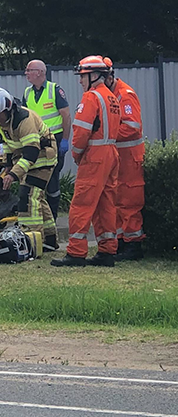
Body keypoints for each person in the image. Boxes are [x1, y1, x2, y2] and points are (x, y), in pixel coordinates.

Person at [52, 56, 121, 267]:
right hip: (111, 153)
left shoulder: (91, 98)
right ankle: (107, 251)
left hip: (95, 155)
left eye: (83, 76)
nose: (80, 81)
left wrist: (77, 154)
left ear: (94, 75)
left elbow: (81, 131)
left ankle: (76, 253)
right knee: (106, 204)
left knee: (81, 204)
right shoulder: (111, 98)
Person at [0, 85, 59, 251]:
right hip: (28, 159)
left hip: (42, 158)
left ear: (8, 108)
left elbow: (31, 152)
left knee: (28, 197)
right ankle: (49, 240)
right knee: (38, 199)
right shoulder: (3, 122)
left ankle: (31, 241)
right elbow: (8, 146)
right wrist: (7, 168)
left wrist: (13, 175)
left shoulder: (24, 119)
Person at [103, 58, 146, 260]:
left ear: (109, 76)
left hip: (129, 158)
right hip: (118, 157)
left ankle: (133, 245)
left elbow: (132, 126)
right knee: (117, 201)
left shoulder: (124, 95)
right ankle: (121, 241)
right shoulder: (110, 94)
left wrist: (106, 133)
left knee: (129, 202)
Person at [22, 60, 71, 220]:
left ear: (40, 72)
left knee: (53, 179)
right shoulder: (27, 92)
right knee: (38, 178)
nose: (26, 73)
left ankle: (53, 218)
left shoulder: (54, 90)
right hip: (36, 140)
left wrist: (65, 139)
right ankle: (40, 215)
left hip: (54, 140)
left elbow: (66, 115)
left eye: (29, 70)